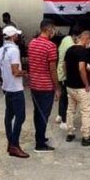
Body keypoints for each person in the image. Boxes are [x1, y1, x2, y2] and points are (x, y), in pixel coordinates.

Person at [27, 19, 59, 153]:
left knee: (37, 112)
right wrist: (57, 87)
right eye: (53, 29)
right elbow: (52, 69)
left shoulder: (32, 43)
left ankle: (40, 136)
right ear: (49, 29)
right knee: (44, 114)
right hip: (46, 85)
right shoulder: (50, 46)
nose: (54, 31)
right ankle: (40, 143)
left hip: (34, 83)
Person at [0, 26, 29, 158]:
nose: (18, 36)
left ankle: (10, 142)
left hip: (6, 86)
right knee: (20, 116)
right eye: (16, 34)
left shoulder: (1, 50)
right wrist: (25, 73)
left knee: (9, 116)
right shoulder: (14, 50)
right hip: (15, 88)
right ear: (12, 36)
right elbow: (15, 71)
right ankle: (14, 144)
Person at [64, 30, 90, 146]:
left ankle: (70, 132)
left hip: (69, 85)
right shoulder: (82, 51)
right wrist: (86, 84)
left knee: (70, 110)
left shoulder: (69, 50)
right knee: (86, 111)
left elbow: (64, 65)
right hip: (80, 87)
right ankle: (86, 136)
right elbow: (81, 68)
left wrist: (66, 78)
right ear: (86, 39)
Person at [55, 28, 78, 129]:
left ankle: (60, 115)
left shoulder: (65, 39)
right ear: (74, 35)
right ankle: (64, 121)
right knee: (66, 98)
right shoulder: (72, 46)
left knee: (63, 95)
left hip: (60, 71)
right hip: (65, 74)